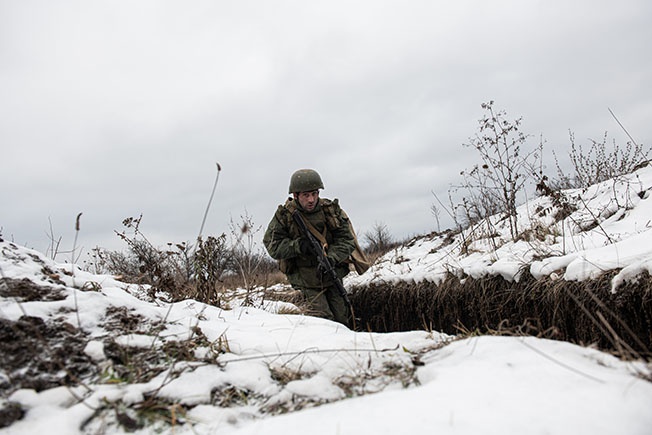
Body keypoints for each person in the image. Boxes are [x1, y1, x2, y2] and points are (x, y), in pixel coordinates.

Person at [263, 169, 356, 326]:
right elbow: (272, 245)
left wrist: (332, 257)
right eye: (306, 195)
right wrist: (299, 246)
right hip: (306, 279)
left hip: (332, 274)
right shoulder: (285, 216)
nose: (311, 199)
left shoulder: (330, 210)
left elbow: (347, 239)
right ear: (296, 196)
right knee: (325, 322)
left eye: (314, 194)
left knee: (343, 318)